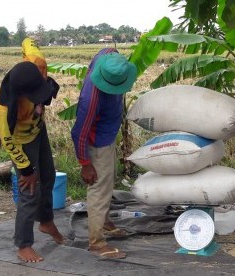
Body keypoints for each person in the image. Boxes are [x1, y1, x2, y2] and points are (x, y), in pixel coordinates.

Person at [0, 47, 62, 263]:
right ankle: (23, 244)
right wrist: (27, 169)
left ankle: (46, 221)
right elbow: (8, 141)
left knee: (49, 177)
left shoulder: (36, 60)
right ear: (20, 93)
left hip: (38, 131)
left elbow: (28, 42)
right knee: (30, 190)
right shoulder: (5, 109)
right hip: (21, 142)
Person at [71, 48, 137, 259]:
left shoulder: (108, 56)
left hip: (108, 137)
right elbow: (79, 132)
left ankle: (106, 223)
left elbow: (109, 49)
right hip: (97, 145)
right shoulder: (91, 99)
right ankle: (97, 243)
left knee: (108, 184)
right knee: (99, 191)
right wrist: (85, 164)